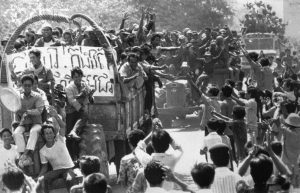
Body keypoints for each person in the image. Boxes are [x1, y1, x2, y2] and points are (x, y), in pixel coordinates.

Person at [38, 106, 75, 192]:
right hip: (56, 171)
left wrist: (55, 116)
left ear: (54, 134)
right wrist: (39, 176)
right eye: (46, 133)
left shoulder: (60, 139)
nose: (49, 135)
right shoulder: (42, 151)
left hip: (68, 168)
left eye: (50, 133)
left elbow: (63, 126)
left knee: (70, 179)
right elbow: (44, 167)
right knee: (42, 180)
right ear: (43, 136)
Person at [13, 74, 44, 158]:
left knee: (33, 132)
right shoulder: (18, 97)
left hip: (36, 123)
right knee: (16, 133)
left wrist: (27, 112)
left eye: (29, 85)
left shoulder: (38, 96)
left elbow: (39, 111)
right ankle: (22, 154)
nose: (27, 87)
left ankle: (26, 154)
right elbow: (15, 110)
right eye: (25, 85)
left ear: (32, 85)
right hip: (23, 123)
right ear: (22, 85)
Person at [65, 67, 94, 141]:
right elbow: (72, 101)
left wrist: (91, 96)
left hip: (81, 110)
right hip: (71, 112)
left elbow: (90, 99)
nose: (78, 78)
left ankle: (74, 131)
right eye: (76, 77)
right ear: (72, 78)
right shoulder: (69, 87)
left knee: (84, 116)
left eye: (80, 76)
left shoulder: (85, 85)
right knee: (68, 135)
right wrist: (81, 108)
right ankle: (73, 132)